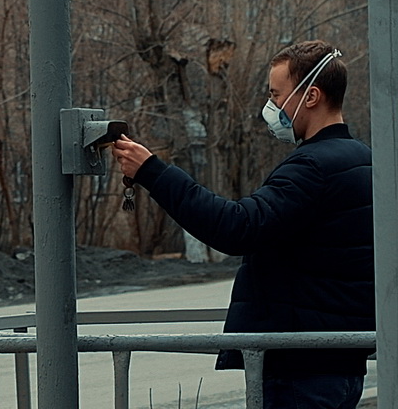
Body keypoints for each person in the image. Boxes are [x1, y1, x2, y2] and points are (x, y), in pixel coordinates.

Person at [113, 40, 373, 409]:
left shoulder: (313, 167)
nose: (271, 107)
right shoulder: (362, 159)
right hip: (341, 363)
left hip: (300, 368)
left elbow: (237, 228)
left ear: (312, 96)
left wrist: (152, 172)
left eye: (277, 95)